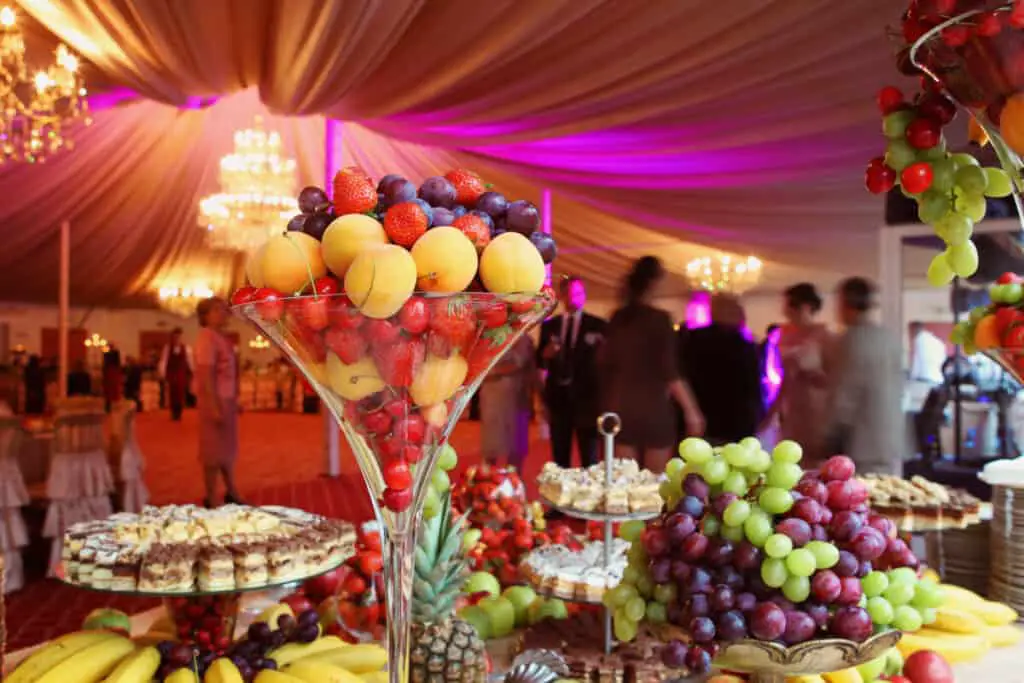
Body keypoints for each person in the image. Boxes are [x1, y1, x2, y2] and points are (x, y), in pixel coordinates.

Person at [600, 257, 704, 471]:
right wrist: (691, 410)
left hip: (620, 404)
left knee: (624, 485)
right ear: (655, 282)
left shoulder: (618, 318)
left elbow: (603, 364)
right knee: (654, 486)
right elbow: (669, 370)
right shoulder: (659, 319)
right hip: (653, 407)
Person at [825, 277, 905, 475]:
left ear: (846, 304)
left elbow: (844, 394)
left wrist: (831, 434)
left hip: (861, 439)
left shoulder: (851, 340)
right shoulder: (889, 337)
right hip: (889, 435)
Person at [537, 275, 605, 468]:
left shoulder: (597, 325)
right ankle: (562, 495)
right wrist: (546, 354)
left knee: (589, 458)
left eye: (579, 293)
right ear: (562, 295)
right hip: (558, 399)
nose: (575, 297)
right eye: (570, 293)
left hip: (587, 400)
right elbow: (539, 361)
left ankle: (587, 495)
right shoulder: (550, 326)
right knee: (560, 456)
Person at [761, 283, 833, 466]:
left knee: (816, 462)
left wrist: (812, 373)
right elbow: (785, 378)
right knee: (790, 459)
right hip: (792, 409)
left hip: (817, 408)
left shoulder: (825, 336)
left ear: (806, 307)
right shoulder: (783, 334)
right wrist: (771, 414)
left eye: (790, 306)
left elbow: (834, 380)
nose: (786, 311)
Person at [683, 294, 762, 444]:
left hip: (700, 416)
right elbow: (752, 388)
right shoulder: (744, 346)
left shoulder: (691, 340)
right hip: (736, 420)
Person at [195, 297, 242, 507]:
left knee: (226, 449)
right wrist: (214, 406)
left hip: (225, 400)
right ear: (205, 315)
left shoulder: (220, 337)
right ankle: (211, 497)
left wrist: (234, 400)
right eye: (217, 310)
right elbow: (206, 376)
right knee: (212, 452)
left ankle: (231, 491)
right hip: (214, 400)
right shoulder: (206, 338)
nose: (223, 313)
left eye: (224, 309)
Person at [479, 334, 535, 470]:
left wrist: (489, 370)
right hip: (492, 398)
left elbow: (519, 363)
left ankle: (514, 484)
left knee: (516, 450)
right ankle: (488, 485)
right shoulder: (486, 335)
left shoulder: (522, 337)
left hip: (516, 398)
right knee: (491, 446)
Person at [159, 327, 193, 421]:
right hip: (171, 373)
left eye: (179, 337)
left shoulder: (186, 348)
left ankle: (179, 412)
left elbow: (190, 361)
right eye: (175, 337)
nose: (177, 339)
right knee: (172, 392)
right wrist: (162, 372)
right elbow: (164, 361)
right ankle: (173, 412)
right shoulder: (167, 348)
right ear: (172, 337)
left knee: (180, 392)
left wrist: (193, 371)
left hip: (181, 373)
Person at [102, 344, 123, 411]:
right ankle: (109, 405)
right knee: (111, 391)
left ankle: (109, 405)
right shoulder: (111, 354)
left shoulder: (108, 354)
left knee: (110, 391)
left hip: (110, 373)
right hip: (111, 373)